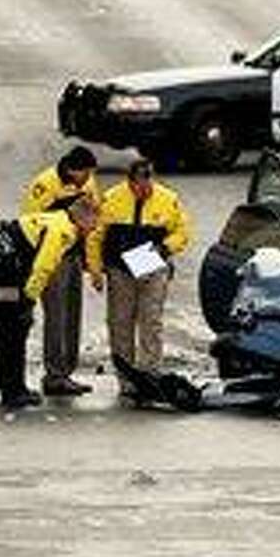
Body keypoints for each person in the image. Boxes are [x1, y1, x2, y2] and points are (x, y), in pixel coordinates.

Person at [0, 198, 100, 410]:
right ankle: (11, 393)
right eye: (93, 223)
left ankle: (17, 388)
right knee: (8, 328)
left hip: (2, 263)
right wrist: (28, 300)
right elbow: (43, 268)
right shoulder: (62, 232)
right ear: (81, 219)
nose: (95, 228)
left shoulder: (60, 219)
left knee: (16, 328)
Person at [86, 159, 192, 402]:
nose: (143, 191)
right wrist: (95, 271)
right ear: (130, 182)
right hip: (120, 269)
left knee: (151, 321)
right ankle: (126, 378)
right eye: (138, 186)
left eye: (147, 185)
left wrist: (164, 249)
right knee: (120, 322)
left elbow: (183, 232)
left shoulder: (168, 199)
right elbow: (95, 236)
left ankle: (149, 374)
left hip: (152, 265)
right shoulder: (112, 199)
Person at [19, 146, 102, 397]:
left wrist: (91, 263)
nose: (88, 180)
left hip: (74, 255)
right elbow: (29, 222)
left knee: (72, 314)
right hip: (52, 256)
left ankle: (67, 370)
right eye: (84, 174)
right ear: (70, 170)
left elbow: (93, 220)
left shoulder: (87, 182)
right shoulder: (45, 185)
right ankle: (54, 375)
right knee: (56, 316)